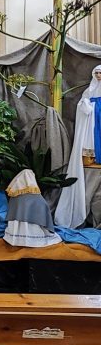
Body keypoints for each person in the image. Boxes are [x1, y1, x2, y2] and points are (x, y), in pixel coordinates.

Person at [56, 65, 101, 228]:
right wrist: (86, 106)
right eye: (96, 73)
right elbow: (82, 106)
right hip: (91, 126)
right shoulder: (89, 91)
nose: (99, 75)